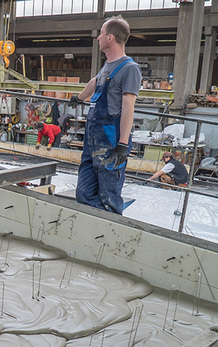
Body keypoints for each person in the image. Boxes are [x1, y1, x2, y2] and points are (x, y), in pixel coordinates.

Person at [70, 15, 142, 214]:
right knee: (83, 193)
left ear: (110, 38)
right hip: (93, 140)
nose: (98, 38)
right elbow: (95, 82)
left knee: (109, 196)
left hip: (111, 140)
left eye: (101, 34)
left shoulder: (130, 69)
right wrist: (80, 98)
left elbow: (128, 106)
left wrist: (123, 143)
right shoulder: (107, 66)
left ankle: (109, 228)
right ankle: (94, 227)